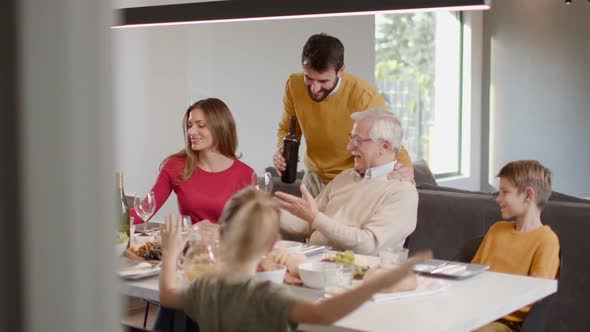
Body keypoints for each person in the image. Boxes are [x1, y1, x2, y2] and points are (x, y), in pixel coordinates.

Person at [158, 188, 430, 332]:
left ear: (222, 232)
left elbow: (168, 295)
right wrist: (374, 285)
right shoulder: (267, 297)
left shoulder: (207, 288)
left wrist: (171, 252)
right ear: (272, 243)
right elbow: (324, 314)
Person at [273, 33, 414, 197]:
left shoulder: (364, 97)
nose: (314, 88)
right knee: (304, 223)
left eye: (323, 81)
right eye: (309, 78)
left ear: (340, 71)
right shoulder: (294, 85)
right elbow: (287, 129)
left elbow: (390, 142)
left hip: (351, 181)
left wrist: (407, 172)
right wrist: (284, 152)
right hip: (313, 178)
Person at [275, 109, 418, 255]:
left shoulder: (402, 192)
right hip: (316, 262)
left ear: (384, 146)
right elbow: (307, 222)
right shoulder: (345, 176)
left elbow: (368, 245)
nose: (349, 147)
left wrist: (315, 218)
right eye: (351, 138)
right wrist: (265, 208)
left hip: (359, 273)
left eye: (357, 140)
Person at [130, 98, 254, 225]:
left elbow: (254, 227)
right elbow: (143, 212)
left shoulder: (247, 175)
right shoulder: (175, 166)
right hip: (189, 244)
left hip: (228, 244)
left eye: (201, 125)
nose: (191, 132)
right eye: (189, 125)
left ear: (220, 128)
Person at [473, 160, 560, 332]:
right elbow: (473, 274)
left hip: (506, 324)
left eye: (505, 192)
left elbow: (536, 294)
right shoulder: (496, 230)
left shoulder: (546, 240)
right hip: (477, 313)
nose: (498, 199)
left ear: (528, 195)